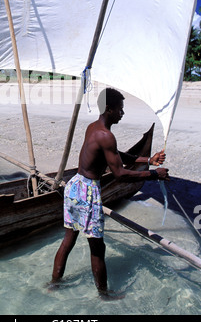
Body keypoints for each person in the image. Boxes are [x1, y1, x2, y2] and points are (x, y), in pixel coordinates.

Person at [50, 88, 169, 299]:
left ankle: (54, 285)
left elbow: (115, 154)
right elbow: (119, 173)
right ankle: (104, 295)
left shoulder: (93, 128)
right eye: (120, 109)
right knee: (97, 246)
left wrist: (147, 160)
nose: (122, 113)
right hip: (87, 192)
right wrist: (154, 175)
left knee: (69, 239)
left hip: (75, 185)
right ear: (109, 109)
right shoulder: (107, 135)